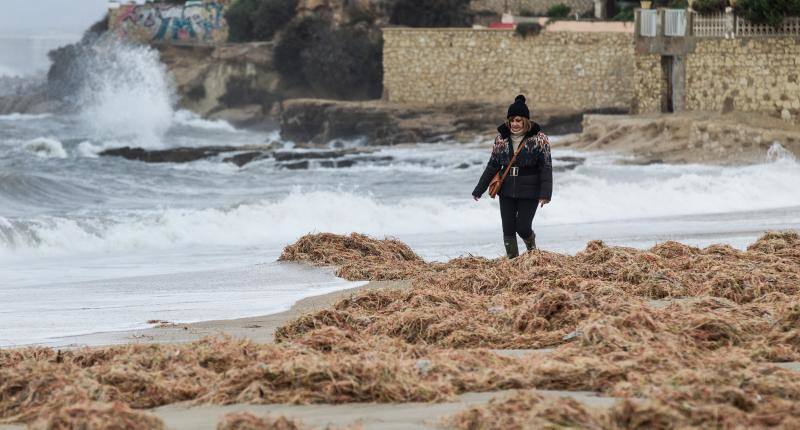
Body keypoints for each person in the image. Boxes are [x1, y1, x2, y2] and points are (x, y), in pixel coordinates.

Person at [472, 95, 552, 259]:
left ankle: (531, 249)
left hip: (530, 190)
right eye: (511, 120)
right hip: (506, 189)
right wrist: (479, 189)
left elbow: (545, 167)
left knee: (522, 227)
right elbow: (492, 165)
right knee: (508, 228)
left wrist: (545, 194)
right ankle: (513, 262)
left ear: (525, 120)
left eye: (518, 120)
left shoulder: (539, 139)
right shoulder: (501, 139)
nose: (514, 124)